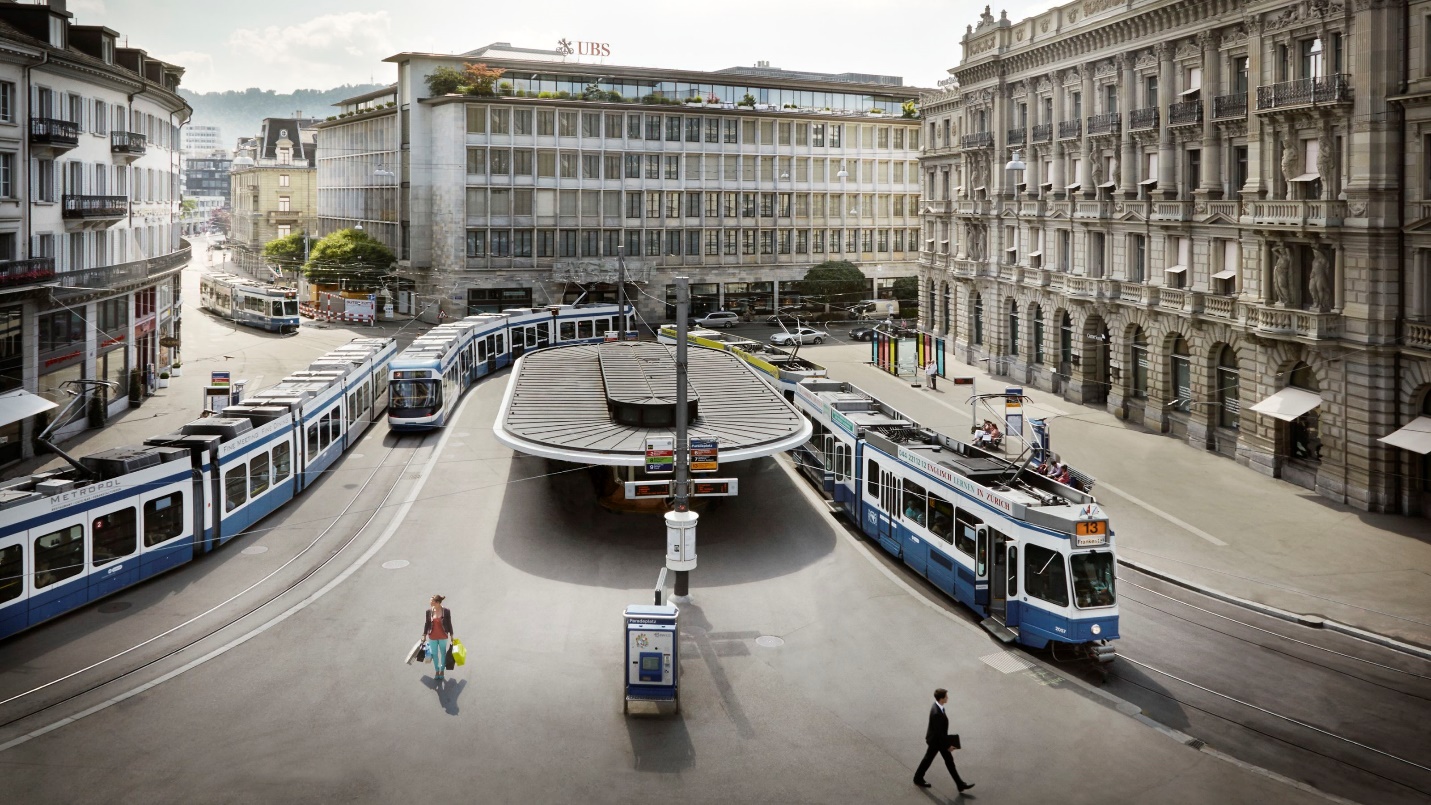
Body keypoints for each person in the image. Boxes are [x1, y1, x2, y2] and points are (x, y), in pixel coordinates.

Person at [914, 688, 974, 792]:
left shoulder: (938, 707)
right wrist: (948, 746)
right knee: (931, 760)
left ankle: (960, 784)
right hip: (937, 742)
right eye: (946, 696)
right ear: (941, 698)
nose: (947, 698)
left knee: (940, 760)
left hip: (937, 740)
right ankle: (918, 778)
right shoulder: (937, 713)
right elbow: (939, 733)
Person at [421, 594, 455, 683]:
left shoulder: (446, 611)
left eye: (432, 601)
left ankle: (442, 670)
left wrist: (451, 635)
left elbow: (449, 623)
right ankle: (437, 670)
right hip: (432, 636)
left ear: (438, 602)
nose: (430, 602)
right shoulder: (429, 611)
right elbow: (427, 623)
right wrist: (424, 635)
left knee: (443, 653)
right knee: (434, 654)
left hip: (443, 636)